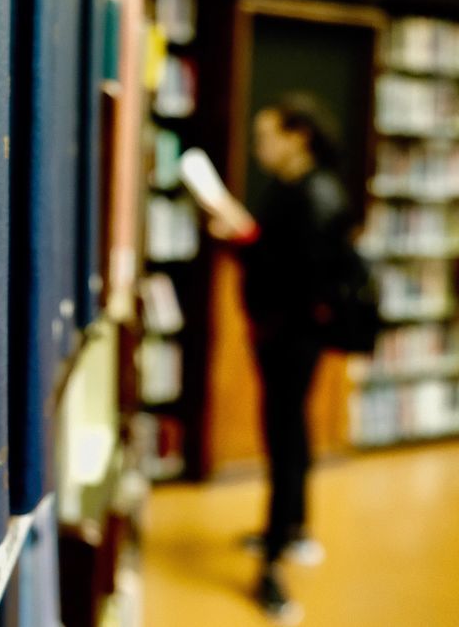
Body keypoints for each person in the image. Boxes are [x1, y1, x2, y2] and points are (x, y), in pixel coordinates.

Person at [208, 93, 353, 625]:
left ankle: (273, 566)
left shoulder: (314, 196)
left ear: (299, 137)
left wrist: (242, 241)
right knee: (291, 432)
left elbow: (293, 275)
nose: (258, 145)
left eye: (267, 135)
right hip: (284, 334)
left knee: (284, 437)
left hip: (291, 338)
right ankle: (291, 529)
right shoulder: (296, 189)